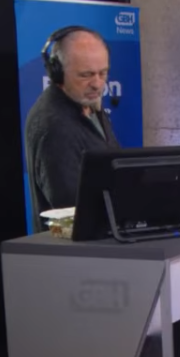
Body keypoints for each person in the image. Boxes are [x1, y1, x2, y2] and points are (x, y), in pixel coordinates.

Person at [24, 26, 120, 217]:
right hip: (82, 244)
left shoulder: (89, 105)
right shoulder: (54, 127)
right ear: (57, 73)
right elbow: (72, 207)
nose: (97, 83)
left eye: (103, 73)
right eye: (86, 75)